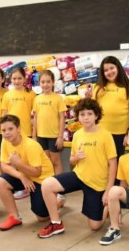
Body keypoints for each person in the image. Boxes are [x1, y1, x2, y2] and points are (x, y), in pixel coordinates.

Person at [39, 98, 117, 238]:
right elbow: (72, 161)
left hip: (97, 183)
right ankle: (56, 223)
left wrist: (108, 190)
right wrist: (75, 158)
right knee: (47, 184)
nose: (86, 117)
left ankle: (108, 207)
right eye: (82, 114)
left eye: (89, 114)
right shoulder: (78, 135)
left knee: (95, 226)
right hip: (79, 175)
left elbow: (113, 163)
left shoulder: (106, 135)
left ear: (96, 115)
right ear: (78, 117)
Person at [0, 114, 55, 231]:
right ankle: (14, 217)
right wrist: (21, 175)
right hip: (26, 175)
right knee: (0, 182)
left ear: (19, 129)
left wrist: (18, 164)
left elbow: (37, 172)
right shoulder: (5, 142)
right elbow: (4, 165)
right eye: (4, 130)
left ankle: (56, 201)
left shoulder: (31, 145)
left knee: (41, 217)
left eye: (10, 129)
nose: (7, 133)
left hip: (43, 179)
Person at [85, 55, 129, 158]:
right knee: (101, 162)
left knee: (116, 163)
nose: (109, 72)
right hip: (100, 132)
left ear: (118, 68)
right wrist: (88, 98)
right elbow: (92, 111)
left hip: (120, 134)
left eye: (112, 68)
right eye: (106, 70)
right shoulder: (98, 87)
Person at [2, 65, 36, 199]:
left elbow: (35, 115)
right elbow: (4, 114)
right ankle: (18, 184)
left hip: (25, 131)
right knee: (14, 160)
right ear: (10, 79)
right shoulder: (7, 95)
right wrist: (4, 131)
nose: (16, 81)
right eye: (14, 78)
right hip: (11, 133)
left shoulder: (30, 94)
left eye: (19, 78)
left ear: (24, 79)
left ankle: (27, 186)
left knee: (25, 161)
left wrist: (33, 133)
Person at [32, 70, 66, 175]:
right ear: (39, 83)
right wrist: (34, 135)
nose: (45, 84)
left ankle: (59, 186)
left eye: (48, 81)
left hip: (54, 136)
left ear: (53, 82)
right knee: (47, 162)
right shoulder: (37, 99)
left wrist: (60, 137)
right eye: (43, 82)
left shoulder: (58, 98)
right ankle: (48, 185)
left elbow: (62, 118)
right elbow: (35, 118)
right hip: (41, 136)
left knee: (56, 161)